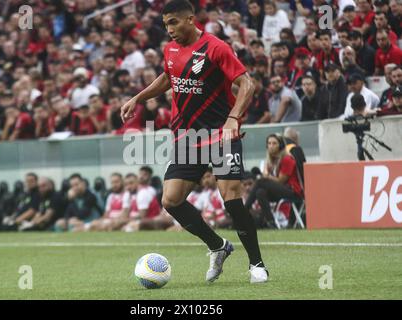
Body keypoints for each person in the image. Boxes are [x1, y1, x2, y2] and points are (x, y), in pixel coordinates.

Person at [120, 0, 268, 283]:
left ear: (190, 19)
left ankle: (257, 264)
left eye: (173, 23)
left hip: (221, 133)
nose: (169, 30)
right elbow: (168, 77)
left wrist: (233, 118)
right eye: (165, 25)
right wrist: (138, 98)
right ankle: (218, 246)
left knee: (232, 199)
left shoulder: (216, 48)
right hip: (188, 137)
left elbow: (247, 83)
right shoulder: (170, 49)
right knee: (171, 200)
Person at [245, 134, 303, 228]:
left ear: (280, 146)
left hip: (293, 191)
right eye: (269, 143)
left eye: (274, 143)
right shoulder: (272, 161)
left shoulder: (287, 159)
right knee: (260, 192)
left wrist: (266, 176)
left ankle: (245, 209)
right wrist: (266, 173)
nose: (271, 146)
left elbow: (281, 181)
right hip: (281, 190)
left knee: (261, 181)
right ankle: (271, 223)